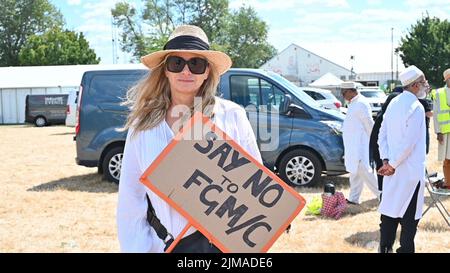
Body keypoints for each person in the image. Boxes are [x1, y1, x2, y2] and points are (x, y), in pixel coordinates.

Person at [116, 25, 263, 253]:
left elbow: (255, 188)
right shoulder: (142, 126)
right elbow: (130, 199)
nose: (186, 72)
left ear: (207, 72)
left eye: (196, 64)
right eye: (177, 63)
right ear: (165, 70)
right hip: (166, 245)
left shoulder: (232, 116)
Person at [377, 65, 428, 253]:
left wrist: (386, 161)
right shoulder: (416, 107)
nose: (425, 86)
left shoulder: (393, 103)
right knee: (409, 219)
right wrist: (391, 164)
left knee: (389, 213)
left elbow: (381, 135)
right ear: (414, 85)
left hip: (392, 170)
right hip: (409, 173)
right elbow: (409, 143)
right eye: (423, 82)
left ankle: (384, 249)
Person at [341, 82, 380, 205]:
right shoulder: (354, 103)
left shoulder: (361, 103)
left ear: (351, 91)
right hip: (353, 145)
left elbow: (369, 124)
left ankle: (383, 195)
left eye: (344, 93)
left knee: (365, 171)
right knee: (354, 172)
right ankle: (353, 198)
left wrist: (375, 140)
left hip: (359, 145)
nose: (343, 96)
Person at [432, 68, 450, 190]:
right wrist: (438, 132)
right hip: (445, 132)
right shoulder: (439, 93)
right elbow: (436, 114)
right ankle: (448, 183)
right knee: (447, 159)